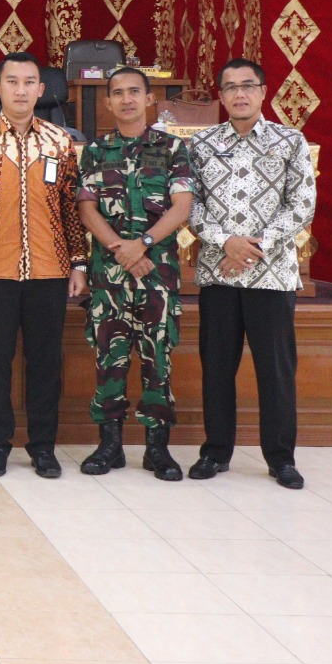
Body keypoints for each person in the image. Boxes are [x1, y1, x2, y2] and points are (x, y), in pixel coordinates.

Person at [0, 52, 88, 478]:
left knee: (46, 364)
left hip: (50, 270)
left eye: (29, 82)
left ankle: (43, 447)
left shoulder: (60, 143)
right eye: (12, 81)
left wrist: (79, 263)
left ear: (41, 90)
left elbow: (70, 208)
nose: (21, 90)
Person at [187, 58, 316, 490]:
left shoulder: (290, 141)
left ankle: (281, 458)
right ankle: (215, 452)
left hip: (271, 275)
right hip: (219, 273)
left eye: (247, 85)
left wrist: (253, 247)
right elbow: (192, 205)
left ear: (263, 91)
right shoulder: (202, 144)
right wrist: (226, 241)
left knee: (275, 370)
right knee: (216, 367)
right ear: (221, 96)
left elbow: (301, 205)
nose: (239, 94)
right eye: (230, 87)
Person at [76, 67, 194, 481]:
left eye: (134, 92)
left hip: (157, 273)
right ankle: (109, 445)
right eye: (118, 93)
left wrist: (141, 244)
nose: (126, 99)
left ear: (148, 98)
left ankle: (157, 448)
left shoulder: (172, 148)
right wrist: (119, 249)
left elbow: (182, 206)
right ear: (107, 102)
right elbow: (86, 208)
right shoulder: (95, 150)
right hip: (109, 276)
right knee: (109, 358)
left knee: (157, 356)